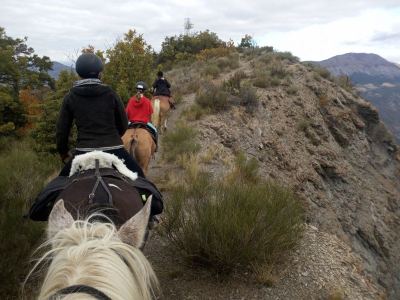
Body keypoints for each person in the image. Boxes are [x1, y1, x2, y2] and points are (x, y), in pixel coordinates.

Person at [56, 53, 145, 178]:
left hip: (84, 151)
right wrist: (112, 138)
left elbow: (62, 130)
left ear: (80, 74)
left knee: (56, 187)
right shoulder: (112, 94)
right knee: (141, 179)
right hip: (114, 149)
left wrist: (63, 152)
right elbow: (123, 124)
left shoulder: (70, 97)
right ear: (99, 73)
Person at [126, 81, 158, 151]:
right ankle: (156, 148)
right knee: (155, 130)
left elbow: (127, 113)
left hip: (131, 123)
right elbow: (150, 113)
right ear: (144, 91)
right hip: (145, 123)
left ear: (136, 90)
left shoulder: (131, 100)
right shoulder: (147, 101)